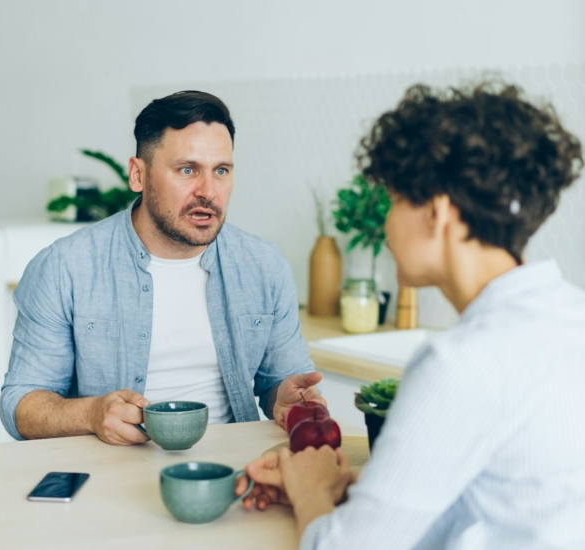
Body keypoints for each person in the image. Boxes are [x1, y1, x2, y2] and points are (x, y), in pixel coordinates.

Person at [238, 81, 585, 549]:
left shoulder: (462, 363)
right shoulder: (569, 316)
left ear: (437, 214)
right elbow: (500, 498)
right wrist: (350, 495)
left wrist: (313, 489)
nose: (385, 223)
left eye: (395, 200)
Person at [0, 91, 325, 445]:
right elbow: (21, 405)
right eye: (187, 170)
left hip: (233, 467)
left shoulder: (263, 265)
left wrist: (288, 401)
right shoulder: (65, 267)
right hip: (111, 467)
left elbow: (281, 382)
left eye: (221, 171)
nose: (209, 191)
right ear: (138, 175)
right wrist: (91, 414)